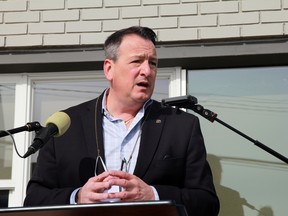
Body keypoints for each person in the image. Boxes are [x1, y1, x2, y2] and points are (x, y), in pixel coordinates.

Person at [24, 26, 220, 216]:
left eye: (153, 63)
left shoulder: (181, 125)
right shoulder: (65, 125)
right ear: (109, 69)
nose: (147, 71)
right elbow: (34, 199)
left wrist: (153, 195)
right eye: (137, 61)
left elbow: (207, 203)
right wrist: (77, 197)